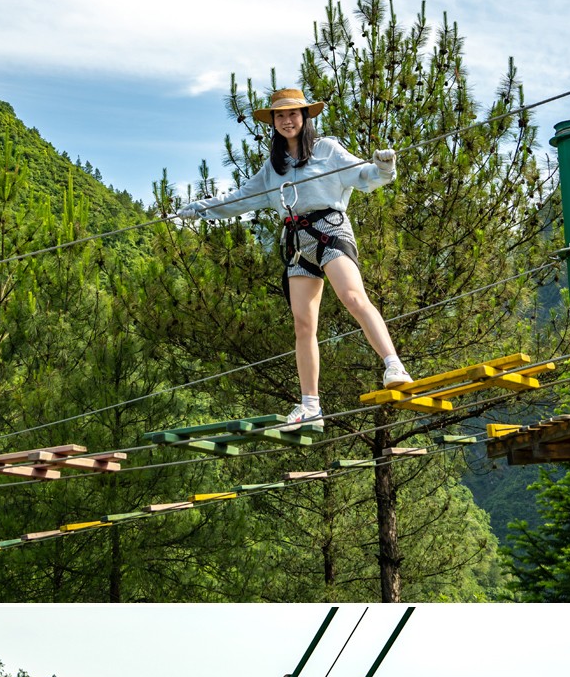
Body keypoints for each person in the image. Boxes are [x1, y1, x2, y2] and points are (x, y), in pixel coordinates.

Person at [176, 87, 411, 428]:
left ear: (305, 117)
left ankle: (393, 364)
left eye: (293, 114)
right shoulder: (273, 168)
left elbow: (364, 176)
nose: (287, 120)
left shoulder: (327, 150)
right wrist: (200, 210)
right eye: (280, 116)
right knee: (303, 325)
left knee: (353, 297)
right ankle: (310, 405)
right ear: (273, 122)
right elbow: (239, 199)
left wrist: (384, 168)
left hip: (330, 230)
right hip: (297, 242)